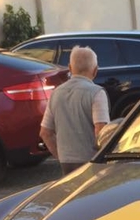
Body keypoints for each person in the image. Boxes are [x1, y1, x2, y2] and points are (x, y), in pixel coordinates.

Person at [40, 46, 110, 176]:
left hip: (66, 163)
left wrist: (61, 156)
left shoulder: (56, 93)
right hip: (92, 163)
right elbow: (101, 131)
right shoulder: (97, 93)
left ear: (70, 68)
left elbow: (45, 133)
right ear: (95, 70)